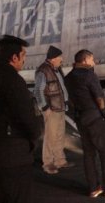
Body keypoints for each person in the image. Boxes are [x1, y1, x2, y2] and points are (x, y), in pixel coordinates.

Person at [0, 35, 41, 203]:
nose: (24, 60)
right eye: (23, 56)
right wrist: (35, 137)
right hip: (13, 156)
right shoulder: (12, 80)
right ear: (14, 57)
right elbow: (27, 120)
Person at [64, 49, 105, 198]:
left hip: (81, 118)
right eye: (92, 59)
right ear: (85, 60)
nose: (94, 62)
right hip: (94, 118)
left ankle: (94, 188)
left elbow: (72, 99)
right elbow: (99, 98)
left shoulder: (69, 78)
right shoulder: (89, 75)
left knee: (89, 154)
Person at [34, 45, 73, 174]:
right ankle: (48, 163)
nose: (61, 59)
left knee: (59, 135)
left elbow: (61, 87)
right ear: (53, 58)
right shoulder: (43, 71)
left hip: (59, 107)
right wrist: (44, 107)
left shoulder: (56, 69)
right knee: (50, 136)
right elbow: (38, 90)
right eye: (59, 57)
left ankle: (60, 160)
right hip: (51, 108)